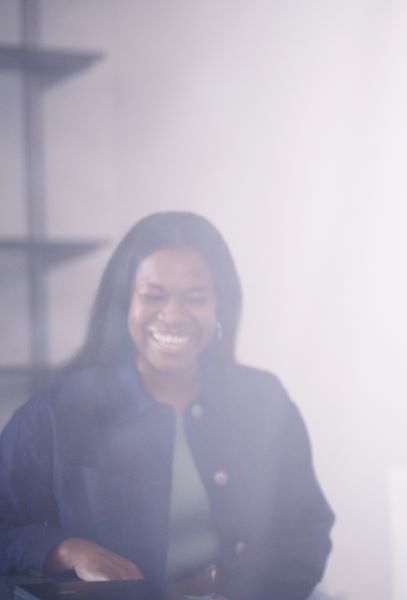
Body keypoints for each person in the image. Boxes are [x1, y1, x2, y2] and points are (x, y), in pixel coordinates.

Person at [0, 212, 334, 600]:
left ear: (219, 306)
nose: (174, 316)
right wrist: (64, 549)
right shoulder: (59, 409)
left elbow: (304, 530)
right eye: (153, 295)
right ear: (123, 302)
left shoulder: (264, 399)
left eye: (196, 298)